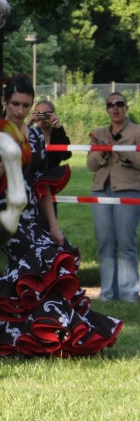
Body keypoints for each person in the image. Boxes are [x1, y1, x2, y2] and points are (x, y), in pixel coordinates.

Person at [0, 75, 123, 358]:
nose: (19, 111)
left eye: (26, 106)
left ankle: (18, 340)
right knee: (47, 260)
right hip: (0, 217)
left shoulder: (35, 139)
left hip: (31, 218)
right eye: (15, 103)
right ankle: (43, 334)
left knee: (40, 270)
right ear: (4, 101)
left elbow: (42, 185)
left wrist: (53, 226)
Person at [87, 92, 140, 302]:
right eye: (111, 105)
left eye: (119, 104)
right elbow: (91, 165)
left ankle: (128, 294)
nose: (115, 108)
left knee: (126, 242)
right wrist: (102, 149)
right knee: (105, 242)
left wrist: (118, 149)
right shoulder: (98, 133)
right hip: (101, 190)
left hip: (128, 190)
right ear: (107, 109)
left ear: (126, 107)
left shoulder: (137, 131)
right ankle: (107, 293)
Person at [27, 100, 72, 224]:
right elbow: (17, 147)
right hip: (29, 185)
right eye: (39, 113)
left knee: (48, 223)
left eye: (47, 114)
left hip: (49, 187)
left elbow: (66, 155)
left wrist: (58, 126)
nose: (43, 117)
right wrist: (28, 124)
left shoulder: (57, 135)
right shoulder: (30, 134)